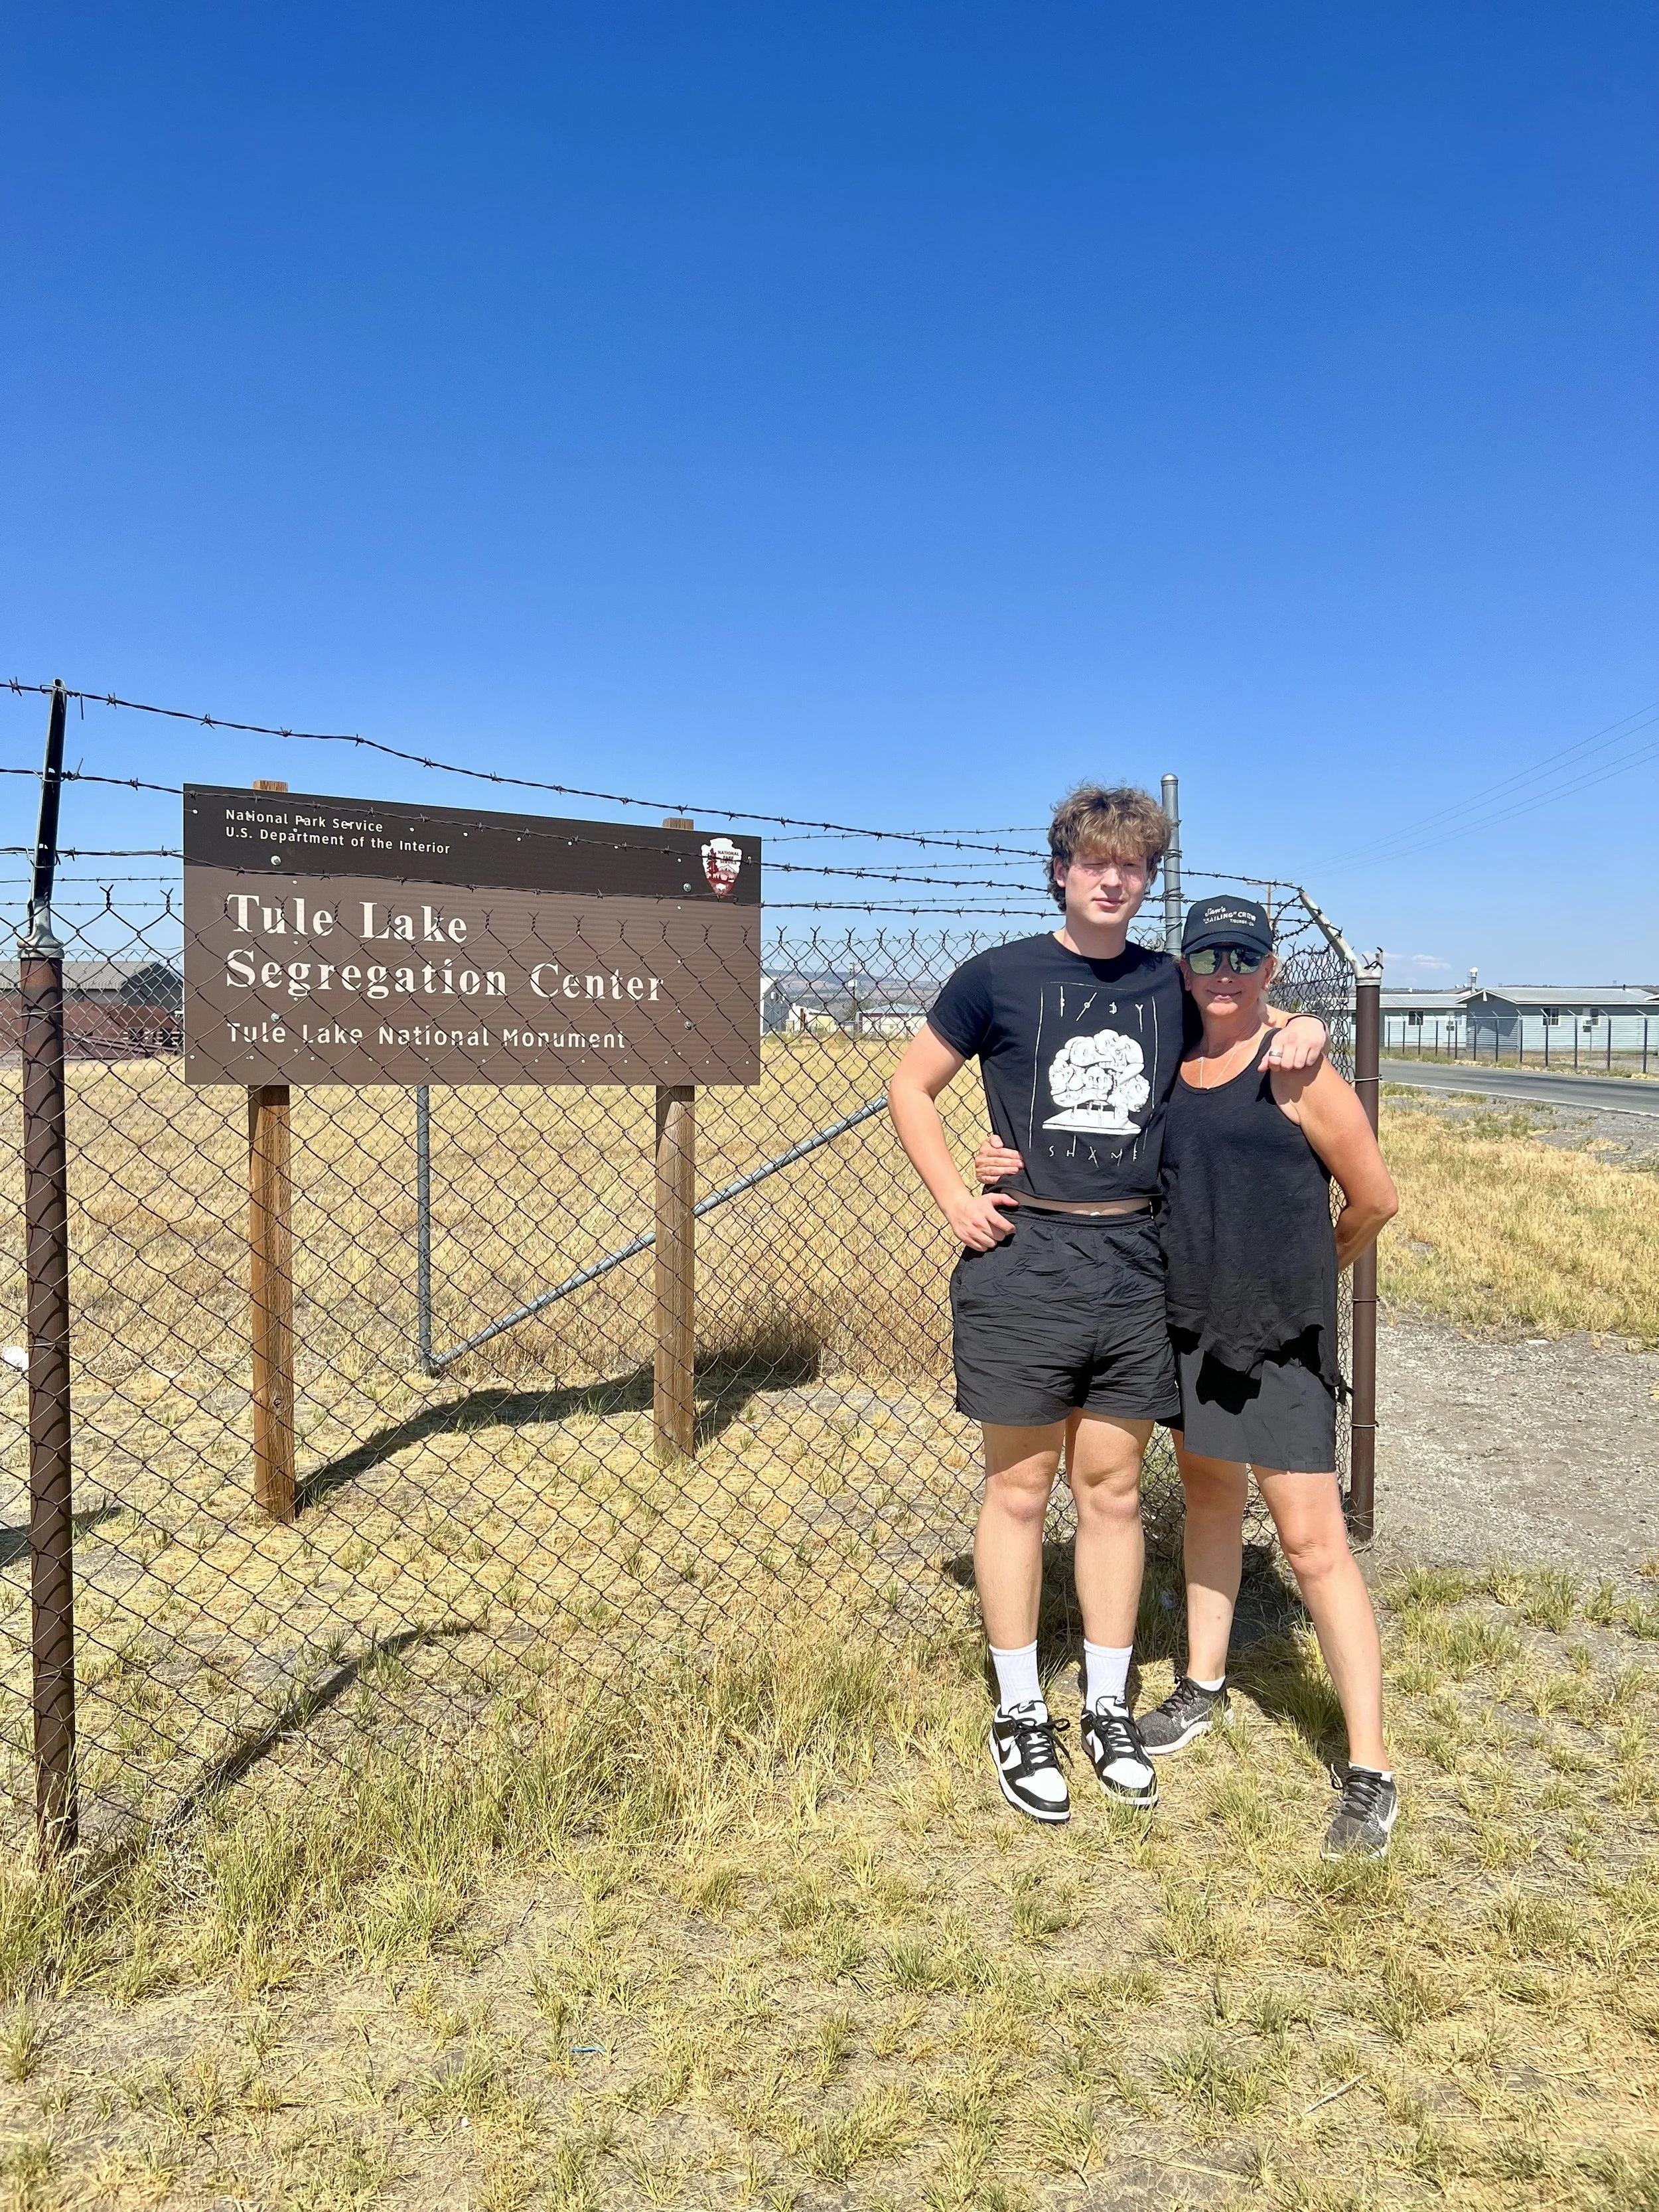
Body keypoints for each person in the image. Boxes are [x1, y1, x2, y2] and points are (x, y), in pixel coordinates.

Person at [887, 790, 1329, 1826]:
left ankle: (1106, 1704)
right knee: (1021, 1489)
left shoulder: (1168, 983)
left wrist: (1303, 1019)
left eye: (1132, 866)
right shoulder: (996, 977)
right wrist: (958, 1192)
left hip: (1138, 1256)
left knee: (1116, 1489)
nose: (1112, 879)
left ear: (1147, 881)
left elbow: (1248, 1017)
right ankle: (1019, 1710)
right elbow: (911, 1087)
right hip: (1025, 1256)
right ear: (1059, 870)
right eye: (1093, 862)